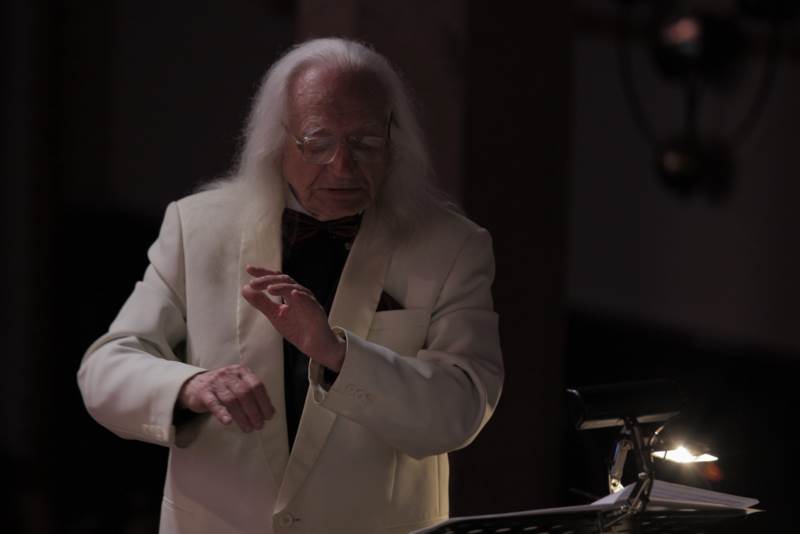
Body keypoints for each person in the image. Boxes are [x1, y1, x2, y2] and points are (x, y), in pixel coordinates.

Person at [77, 37, 503, 534]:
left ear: (394, 141)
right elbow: (104, 369)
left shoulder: (453, 247)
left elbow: (460, 409)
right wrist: (190, 386)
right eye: (318, 142)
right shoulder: (197, 227)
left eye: (365, 143)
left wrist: (339, 354)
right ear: (277, 140)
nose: (342, 166)